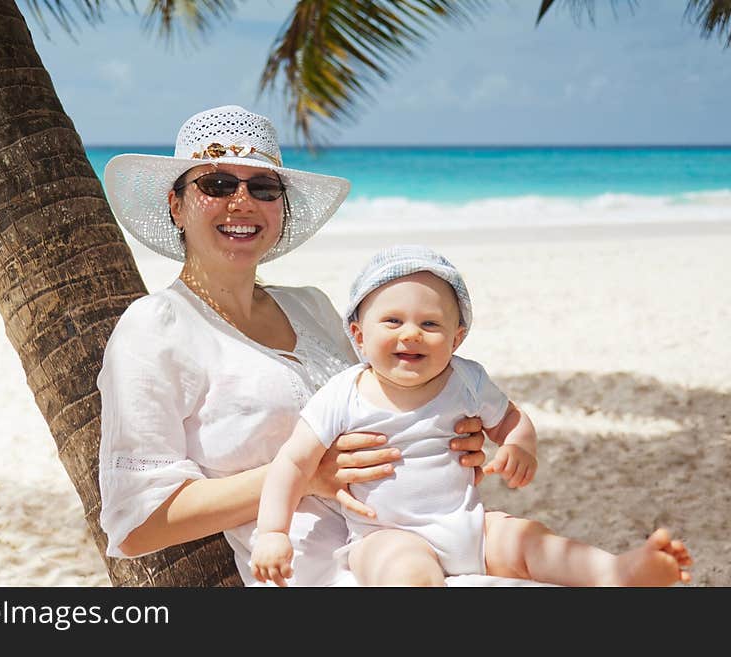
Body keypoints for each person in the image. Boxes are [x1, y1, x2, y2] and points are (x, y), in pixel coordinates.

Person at [96, 104, 686, 587]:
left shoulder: (311, 305)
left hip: (442, 536)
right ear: (176, 203)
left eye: (264, 186)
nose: (242, 202)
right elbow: (137, 526)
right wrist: (308, 475)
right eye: (217, 184)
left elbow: (391, 395)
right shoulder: (155, 328)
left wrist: (455, 432)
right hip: (329, 572)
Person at [250, 246, 693, 587]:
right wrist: (273, 530)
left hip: (470, 526)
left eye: (430, 324)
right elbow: (293, 462)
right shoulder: (344, 393)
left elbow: (512, 420)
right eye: (392, 321)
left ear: (457, 338)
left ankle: (618, 571)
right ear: (358, 334)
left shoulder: (467, 380)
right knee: (403, 570)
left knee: (531, 539)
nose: (411, 333)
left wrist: (520, 446)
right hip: (384, 533)